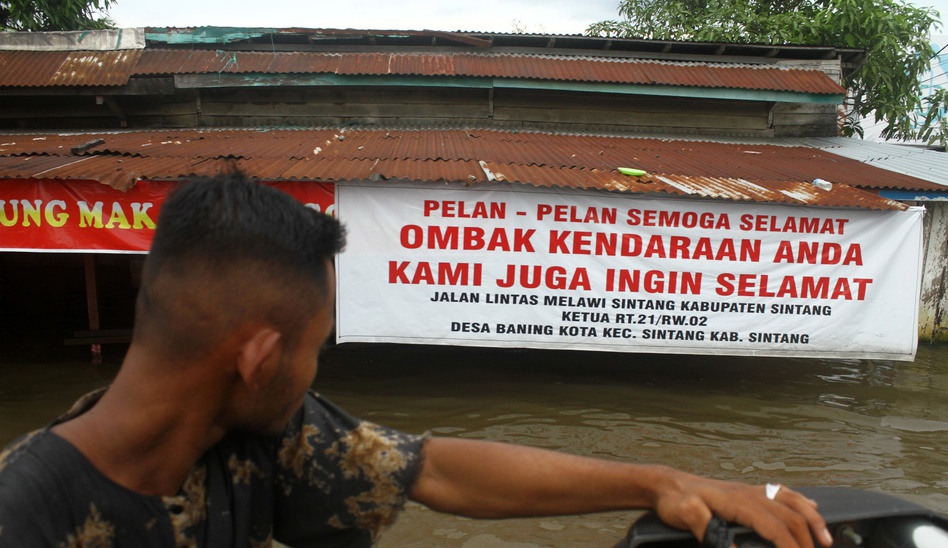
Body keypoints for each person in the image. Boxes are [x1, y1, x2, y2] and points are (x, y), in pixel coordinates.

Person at [0, 173, 832, 548]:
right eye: (316, 349)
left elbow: (436, 472)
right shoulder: (26, 518)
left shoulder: (250, 439)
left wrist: (662, 483)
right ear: (257, 358)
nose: (316, 373)